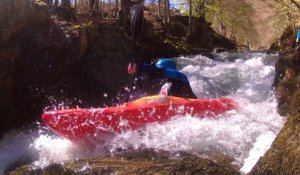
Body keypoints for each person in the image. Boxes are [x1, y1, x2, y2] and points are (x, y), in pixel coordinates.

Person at [127, 58, 197, 100]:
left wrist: (139, 67)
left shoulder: (180, 76)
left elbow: (159, 71)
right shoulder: (163, 81)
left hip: (185, 102)